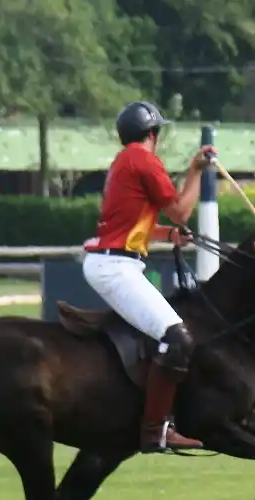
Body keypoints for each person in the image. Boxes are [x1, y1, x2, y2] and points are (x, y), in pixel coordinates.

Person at [82, 101, 216, 452]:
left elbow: (129, 225)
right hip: (116, 267)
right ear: (153, 134)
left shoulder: (121, 162)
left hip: (114, 261)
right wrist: (196, 170)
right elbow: (181, 211)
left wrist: (167, 237)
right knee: (178, 339)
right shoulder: (143, 160)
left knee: (167, 334)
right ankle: (155, 431)